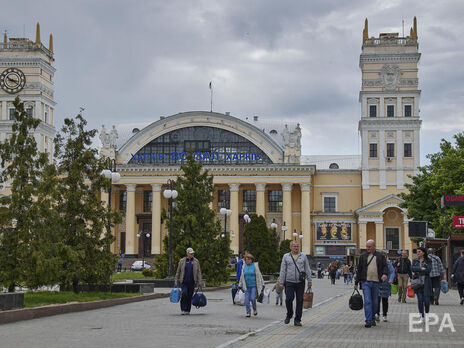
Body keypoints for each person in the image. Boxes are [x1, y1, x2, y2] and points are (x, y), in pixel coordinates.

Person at [354, 239, 388, 328]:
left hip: (376, 282)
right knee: (368, 301)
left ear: (374, 246)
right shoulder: (363, 256)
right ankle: (368, 320)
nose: (367, 248)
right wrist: (356, 283)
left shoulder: (380, 256)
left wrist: (384, 274)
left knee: (375, 302)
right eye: (366, 247)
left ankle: (372, 318)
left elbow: (385, 267)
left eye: (369, 247)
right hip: (366, 282)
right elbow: (359, 270)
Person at [279, 241, 312, 327]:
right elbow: (283, 270)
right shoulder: (286, 256)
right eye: (294, 246)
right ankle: (289, 314)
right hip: (289, 281)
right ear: (290, 247)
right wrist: (281, 282)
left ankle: (297, 319)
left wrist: (309, 280)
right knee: (289, 299)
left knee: (300, 300)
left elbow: (307, 268)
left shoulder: (303, 256)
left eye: (297, 246)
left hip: (300, 282)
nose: (296, 248)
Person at [174, 247, 202, 315]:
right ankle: (183, 309)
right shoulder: (182, 261)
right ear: (187, 253)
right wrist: (176, 281)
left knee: (189, 296)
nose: (192, 254)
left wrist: (199, 281)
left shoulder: (196, 261)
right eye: (191, 253)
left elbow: (198, 272)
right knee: (184, 294)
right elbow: (178, 271)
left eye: (193, 253)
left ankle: (188, 310)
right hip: (184, 282)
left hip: (192, 282)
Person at [238, 253, 264, 317]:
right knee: (246, 300)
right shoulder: (244, 266)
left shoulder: (255, 266)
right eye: (246, 259)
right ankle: (248, 312)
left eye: (248, 259)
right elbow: (242, 277)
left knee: (252, 298)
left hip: (254, 286)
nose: (247, 261)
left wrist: (262, 284)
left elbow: (259, 276)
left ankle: (254, 309)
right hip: (246, 286)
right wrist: (239, 285)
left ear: (251, 260)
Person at [411, 247, 432, 323]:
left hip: (426, 282)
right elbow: (412, 268)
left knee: (426, 301)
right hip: (418, 283)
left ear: (423, 252)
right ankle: (421, 316)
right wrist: (421, 268)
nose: (418, 253)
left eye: (419, 251)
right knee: (420, 300)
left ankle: (427, 314)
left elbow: (428, 270)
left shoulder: (428, 260)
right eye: (417, 252)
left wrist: (418, 270)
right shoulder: (415, 260)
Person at [375, 251, 395, 322]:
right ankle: (377, 314)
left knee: (385, 300)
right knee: (377, 300)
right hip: (377, 284)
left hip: (386, 284)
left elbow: (392, 272)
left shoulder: (389, 264)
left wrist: (391, 279)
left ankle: (384, 315)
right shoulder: (375, 263)